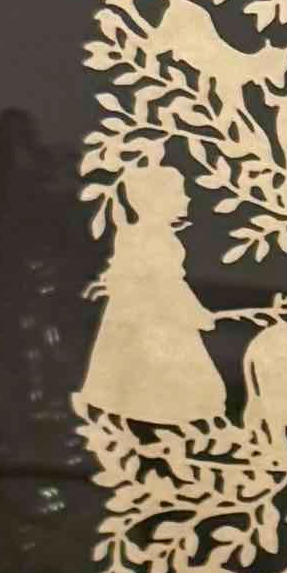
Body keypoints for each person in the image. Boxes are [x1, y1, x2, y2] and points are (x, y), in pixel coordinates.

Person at [77, 164, 227, 426]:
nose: (187, 198)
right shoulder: (157, 239)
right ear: (156, 201)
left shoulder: (134, 234)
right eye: (179, 194)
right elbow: (168, 286)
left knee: (136, 372)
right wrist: (196, 314)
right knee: (164, 373)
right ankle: (159, 423)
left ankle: (138, 420)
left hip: (140, 313)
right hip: (156, 318)